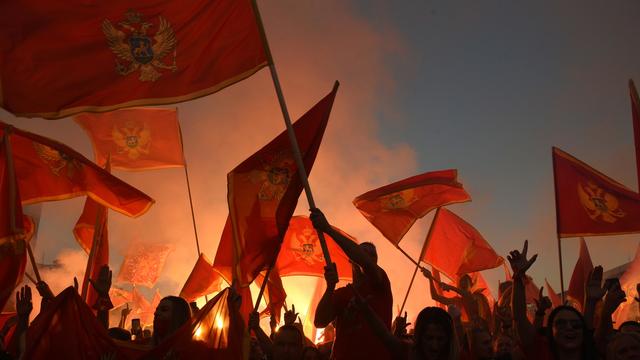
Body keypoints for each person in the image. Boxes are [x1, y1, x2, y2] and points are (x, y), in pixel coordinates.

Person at [310, 208, 393, 360]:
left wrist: (327, 229)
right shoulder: (342, 294)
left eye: (371, 255)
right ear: (351, 260)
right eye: (362, 252)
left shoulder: (381, 284)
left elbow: (365, 262)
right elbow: (319, 321)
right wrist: (330, 288)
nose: (366, 257)